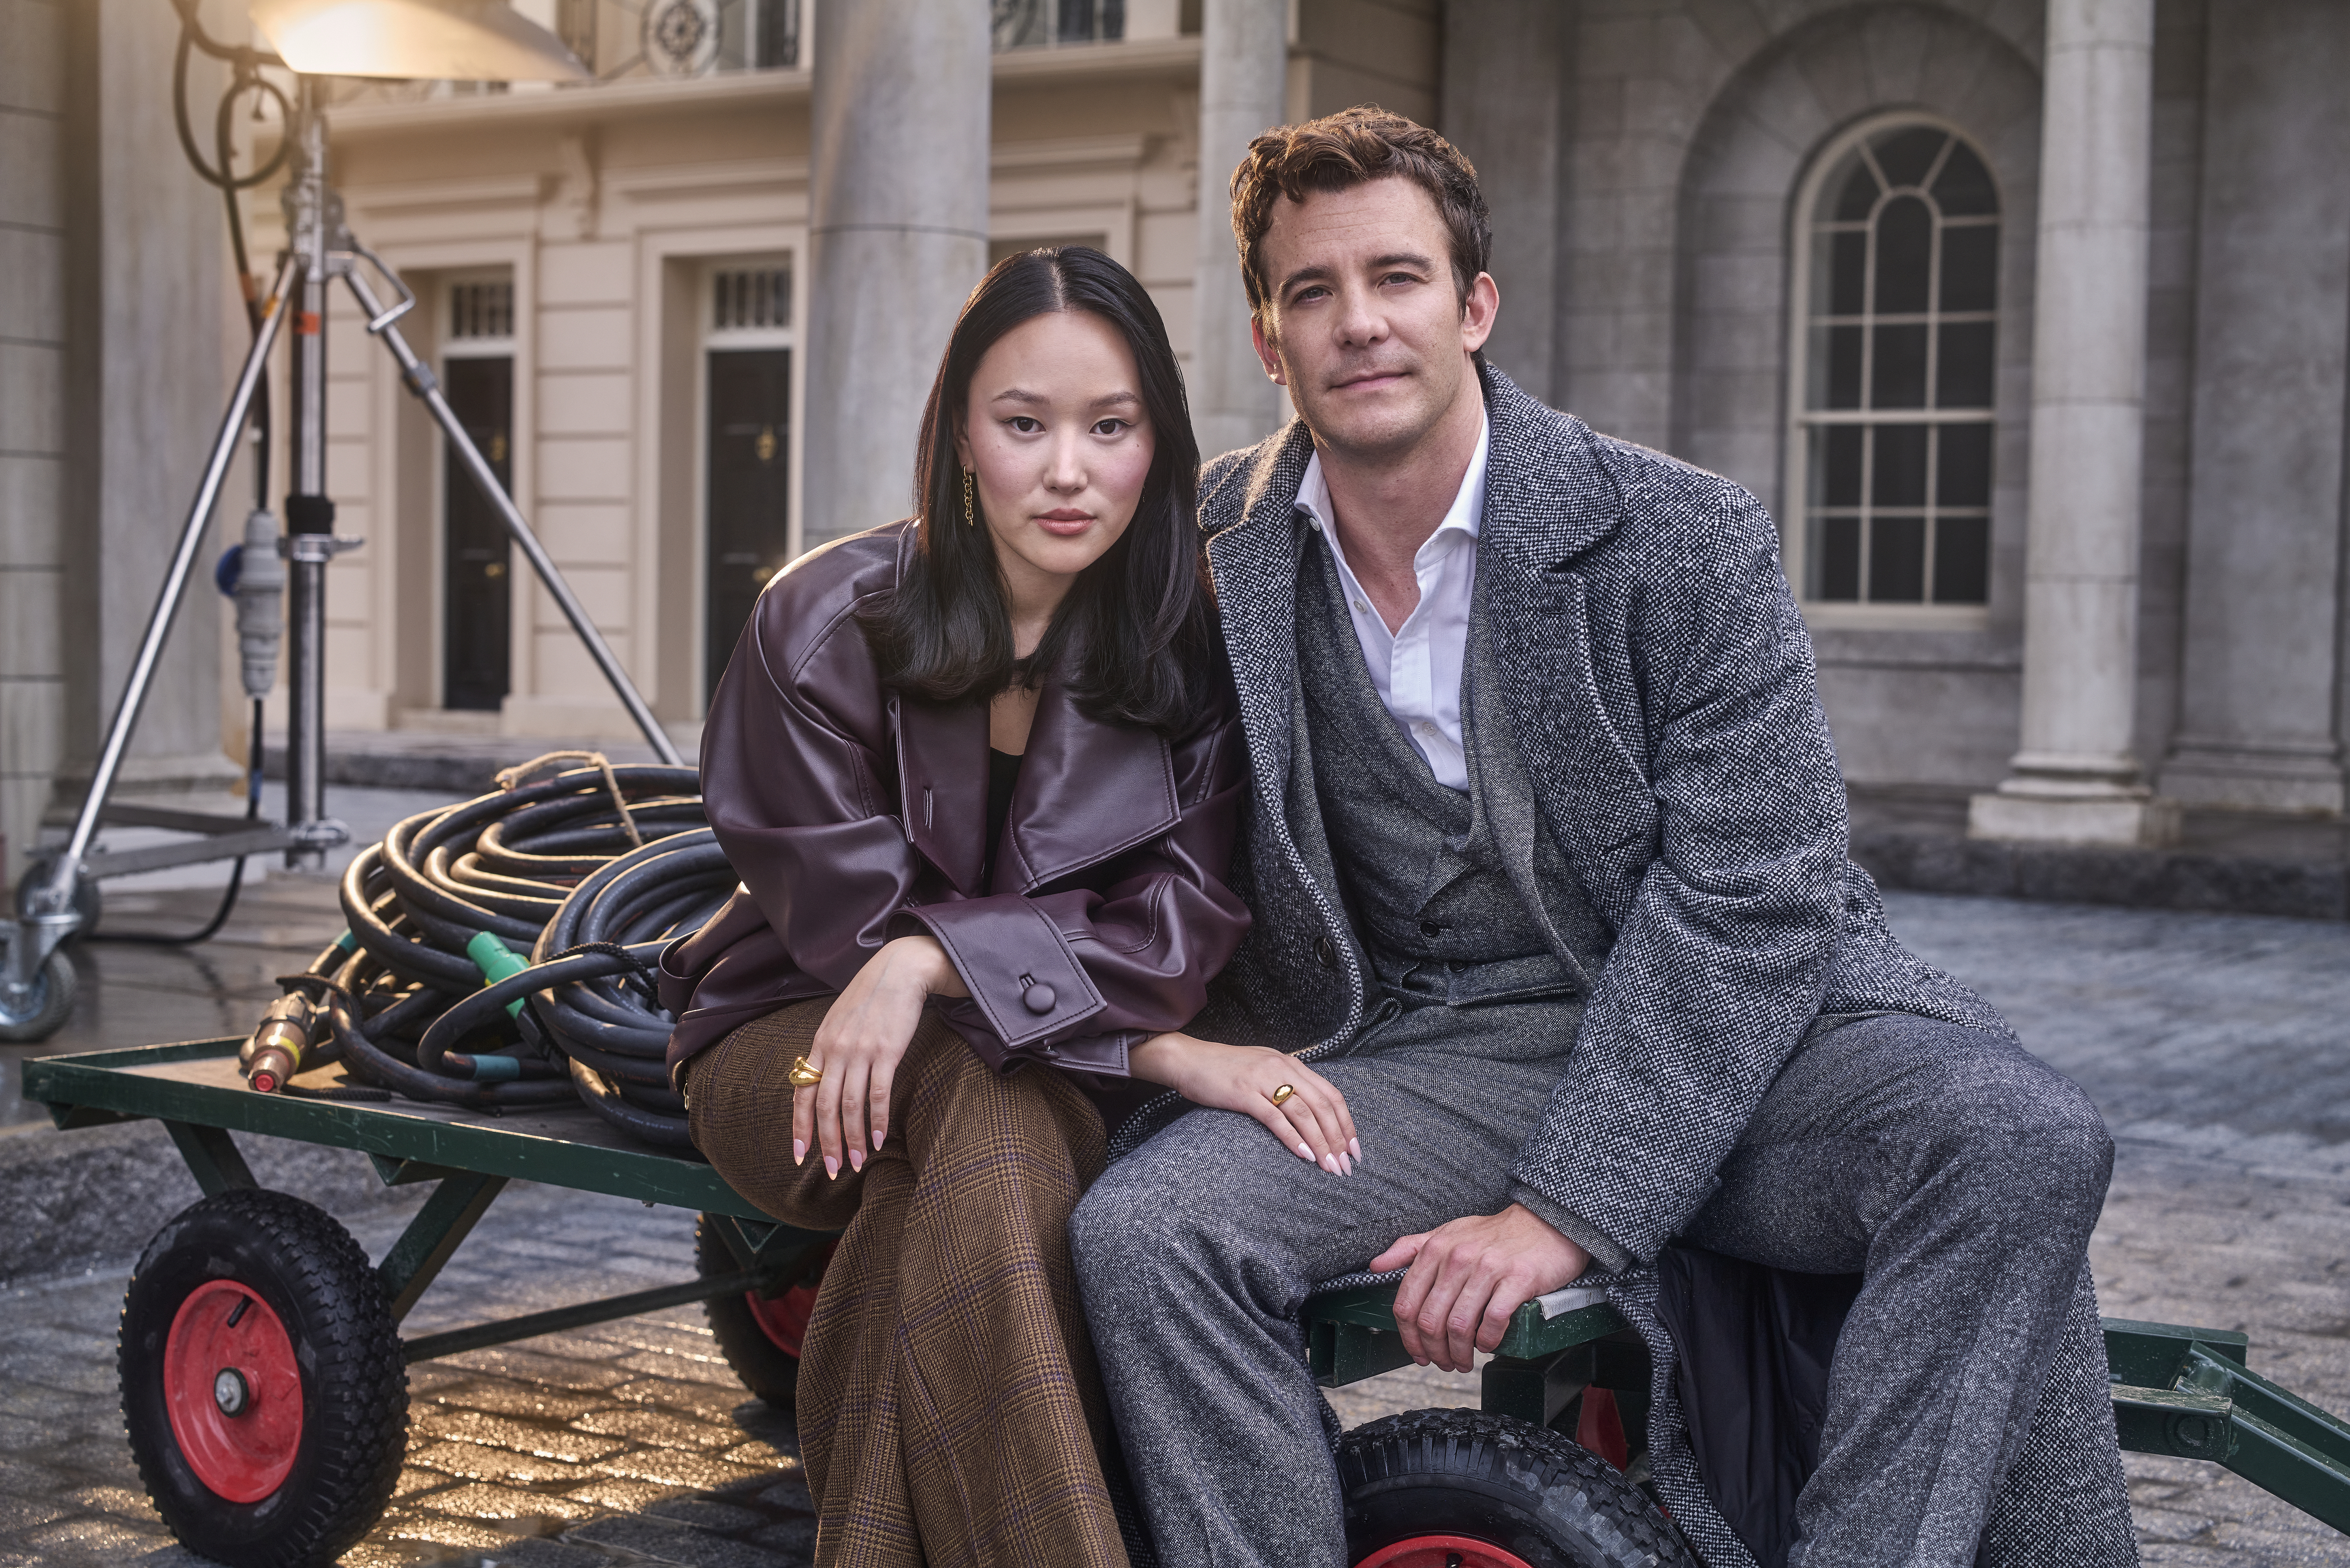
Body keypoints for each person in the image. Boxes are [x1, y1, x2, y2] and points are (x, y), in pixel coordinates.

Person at [1069, 109, 2137, 1568]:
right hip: (1431, 1049)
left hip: (1742, 1045)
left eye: (1397, 278)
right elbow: (1010, 628)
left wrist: (1564, 1212)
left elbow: (1761, 898)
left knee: (2021, 1137)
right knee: (1149, 1235)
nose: (1359, 323)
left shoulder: (1682, 534)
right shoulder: (1202, 551)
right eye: (1311, 292)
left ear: (1474, 306)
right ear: (1268, 340)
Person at [661, 246, 1291, 1567]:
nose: (1069, 470)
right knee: (989, 1112)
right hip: (792, 1049)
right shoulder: (818, 621)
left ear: (1155, 445)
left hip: (1017, 1074)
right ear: (961, 433)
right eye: (1026, 425)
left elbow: (1179, 927)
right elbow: (851, 934)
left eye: (1109, 428)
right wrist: (1149, 1045)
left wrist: (928, 964)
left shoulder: (1191, 657)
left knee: (972, 1168)